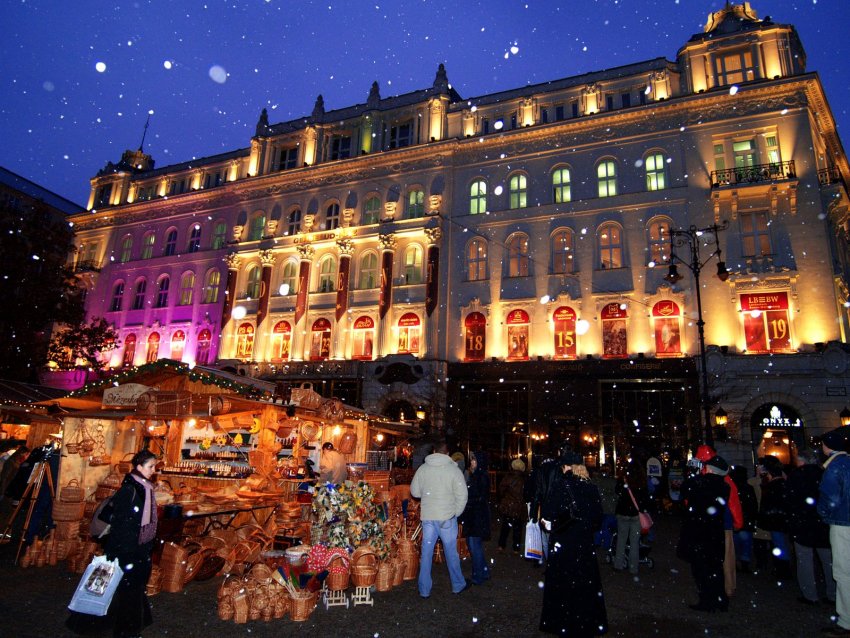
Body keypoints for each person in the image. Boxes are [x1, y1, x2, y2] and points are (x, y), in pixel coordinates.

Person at [538, 448, 607, 636]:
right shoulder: (591, 487)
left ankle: (562, 621)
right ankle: (587, 620)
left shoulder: (561, 486)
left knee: (563, 583)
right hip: (584, 545)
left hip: (564, 542)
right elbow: (597, 518)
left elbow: (548, 515)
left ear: (567, 467)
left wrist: (548, 523)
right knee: (585, 583)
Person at [106, 449, 158, 638]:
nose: (153, 470)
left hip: (139, 545)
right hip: (129, 547)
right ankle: (125, 628)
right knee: (129, 587)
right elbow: (121, 523)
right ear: (139, 467)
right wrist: (127, 549)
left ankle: (133, 623)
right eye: (150, 466)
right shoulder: (131, 489)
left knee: (134, 586)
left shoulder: (144, 487)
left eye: (154, 466)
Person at [410, 440, 469, 597]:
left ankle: (424, 589)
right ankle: (457, 585)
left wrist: (429, 495)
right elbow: (462, 495)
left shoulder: (423, 469)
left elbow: (415, 492)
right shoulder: (453, 470)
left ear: (434, 451)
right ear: (447, 453)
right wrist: (456, 512)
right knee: (451, 553)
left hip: (428, 517)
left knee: (426, 553)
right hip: (447, 518)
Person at [677, 455, 731, 612]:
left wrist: (694, 474)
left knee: (701, 569)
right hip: (714, 531)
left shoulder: (701, 483)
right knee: (715, 568)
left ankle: (707, 600)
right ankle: (720, 599)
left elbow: (685, 490)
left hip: (699, 531)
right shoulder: (723, 486)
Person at [786, 448, 834, 605]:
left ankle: (810, 595)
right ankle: (832, 594)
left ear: (801, 461)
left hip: (803, 523)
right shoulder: (824, 474)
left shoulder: (796, 476)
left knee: (805, 558)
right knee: (827, 559)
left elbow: (790, 499)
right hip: (822, 522)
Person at [818, 427, 850, 637]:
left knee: (843, 572)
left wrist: (823, 513)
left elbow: (829, 498)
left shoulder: (835, 467)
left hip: (842, 523)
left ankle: (846, 620)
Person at [757, 455, 791, 581]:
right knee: (780, 544)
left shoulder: (774, 486)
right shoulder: (781, 483)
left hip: (776, 520)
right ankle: (783, 568)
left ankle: (783, 570)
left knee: (780, 544)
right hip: (780, 520)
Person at [613, 460, 650, 575]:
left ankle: (618, 564)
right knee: (635, 542)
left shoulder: (623, 480)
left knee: (621, 539)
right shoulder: (642, 482)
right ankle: (633, 568)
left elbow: (617, 492)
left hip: (623, 513)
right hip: (635, 514)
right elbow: (645, 498)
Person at [460, 450, 491, 585]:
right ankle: (483, 572)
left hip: (476, 515)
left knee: (474, 545)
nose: (471, 462)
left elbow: (478, 496)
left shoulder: (480, 476)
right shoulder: (477, 475)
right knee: (474, 544)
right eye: (471, 459)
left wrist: (467, 498)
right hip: (475, 514)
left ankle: (478, 575)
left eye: (474, 460)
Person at [729, 465, 758, 573]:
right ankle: (744, 562)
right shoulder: (747, 487)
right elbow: (753, 505)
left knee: (736, 542)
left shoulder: (732, 488)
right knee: (746, 543)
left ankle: (737, 562)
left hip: (737, 519)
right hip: (746, 520)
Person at [497, 458, 527, 553]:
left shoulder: (508, 477)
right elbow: (527, 493)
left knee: (505, 527)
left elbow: (501, 490)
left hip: (508, 506)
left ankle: (501, 545)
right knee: (518, 528)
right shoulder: (524, 479)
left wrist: (505, 498)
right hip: (519, 506)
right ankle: (516, 548)